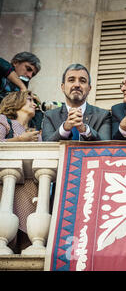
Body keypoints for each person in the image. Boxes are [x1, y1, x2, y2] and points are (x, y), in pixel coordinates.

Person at [0, 91, 41, 253]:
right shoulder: (4, 121)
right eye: (29, 100)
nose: (34, 104)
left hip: (30, 187)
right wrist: (19, 140)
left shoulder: (36, 132)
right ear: (16, 102)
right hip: (6, 185)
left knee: (29, 235)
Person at [41, 63, 111, 141]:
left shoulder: (103, 115)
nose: (77, 85)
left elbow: (106, 146)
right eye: (71, 80)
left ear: (89, 88)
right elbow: (47, 148)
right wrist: (64, 129)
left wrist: (84, 130)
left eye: (82, 81)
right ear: (63, 87)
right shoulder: (50, 116)